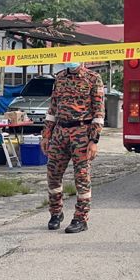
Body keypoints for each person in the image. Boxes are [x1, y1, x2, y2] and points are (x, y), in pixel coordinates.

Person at [42, 62, 105, 234]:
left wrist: (94, 140)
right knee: (53, 173)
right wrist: (46, 135)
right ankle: (56, 213)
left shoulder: (93, 78)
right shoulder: (60, 78)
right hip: (60, 132)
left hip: (82, 132)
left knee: (82, 177)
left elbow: (98, 112)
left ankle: (80, 218)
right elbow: (52, 109)